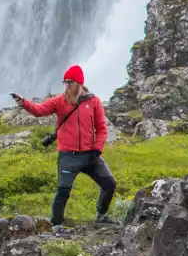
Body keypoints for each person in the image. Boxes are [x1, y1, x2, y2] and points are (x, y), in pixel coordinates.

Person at [12, 65, 116, 228]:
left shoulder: (93, 101)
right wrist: (24, 103)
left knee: (110, 184)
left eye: (70, 82)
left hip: (91, 154)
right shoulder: (60, 100)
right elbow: (39, 110)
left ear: (79, 83)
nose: (66, 86)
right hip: (68, 155)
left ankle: (101, 216)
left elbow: (102, 128)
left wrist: (97, 148)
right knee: (63, 191)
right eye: (65, 82)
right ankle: (56, 226)